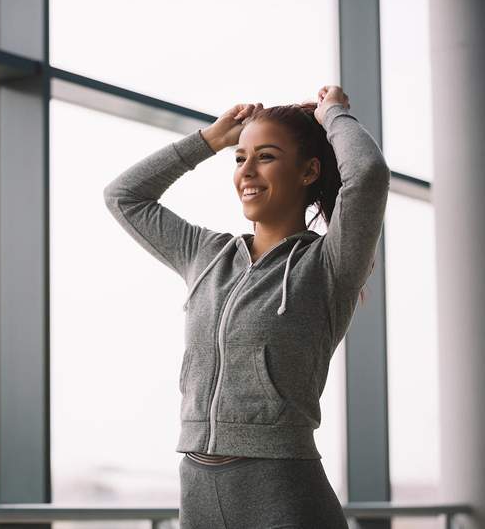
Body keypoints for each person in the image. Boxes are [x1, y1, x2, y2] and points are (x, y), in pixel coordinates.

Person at [102, 85, 390, 528]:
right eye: (240, 158)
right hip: (197, 483)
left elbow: (367, 174)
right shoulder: (205, 253)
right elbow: (124, 196)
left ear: (309, 171)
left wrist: (333, 116)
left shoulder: (328, 264)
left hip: (281, 487)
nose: (247, 171)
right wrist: (210, 140)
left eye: (266, 156)